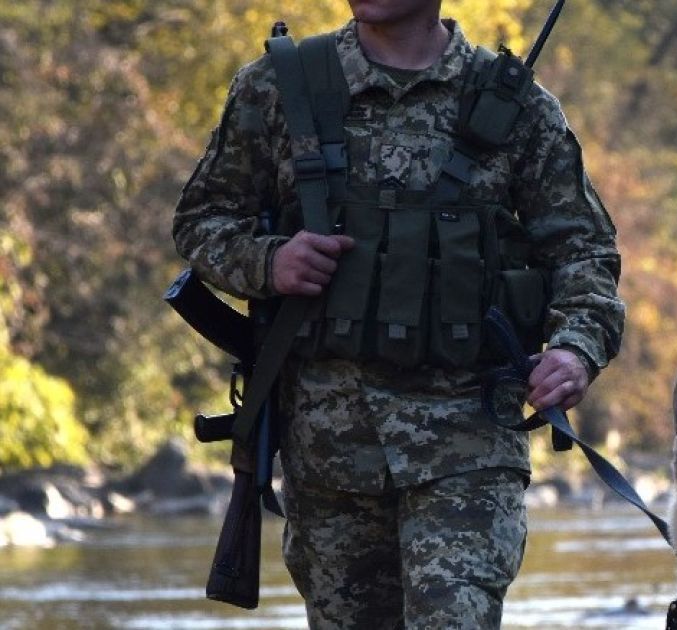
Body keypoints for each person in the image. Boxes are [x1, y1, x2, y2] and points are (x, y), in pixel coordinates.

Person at [172, 0, 624, 627]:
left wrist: (575, 348)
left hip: (468, 446)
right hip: (328, 460)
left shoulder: (514, 105)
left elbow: (585, 250)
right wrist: (268, 262)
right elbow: (200, 219)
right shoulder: (280, 86)